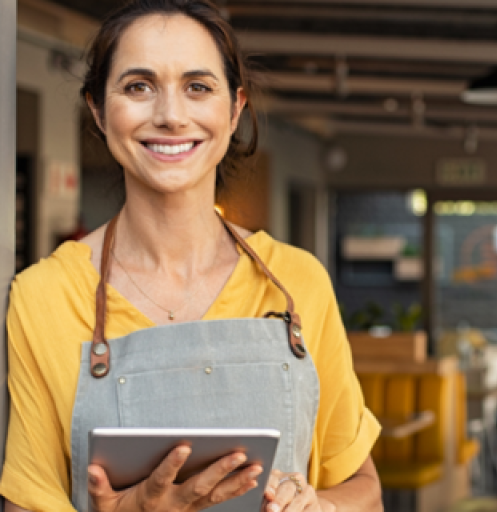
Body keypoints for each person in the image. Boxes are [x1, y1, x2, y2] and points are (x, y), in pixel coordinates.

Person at [0, 1, 382, 511]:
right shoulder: (44, 296)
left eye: (198, 87)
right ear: (97, 108)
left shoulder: (297, 282)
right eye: (138, 86)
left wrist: (323, 507)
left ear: (234, 109)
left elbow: (367, 491)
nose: (171, 115)